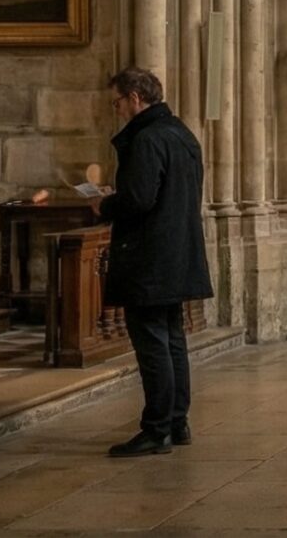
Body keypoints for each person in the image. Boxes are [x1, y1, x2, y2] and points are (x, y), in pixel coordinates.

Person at [96, 68, 211, 457]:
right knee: (173, 339)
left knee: (153, 344)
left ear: (134, 98)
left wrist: (105, 203)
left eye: (117, 102)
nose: (117, 110)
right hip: (178, 253)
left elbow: (139, 200)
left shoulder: (146, 139)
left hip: (149, 257)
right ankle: (177, 422)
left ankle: (156, 428)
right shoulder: (182, 134)